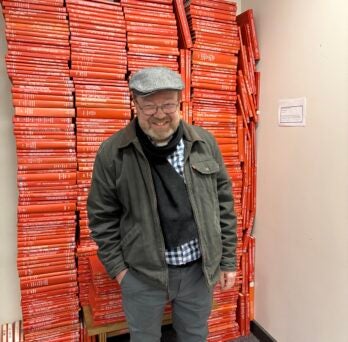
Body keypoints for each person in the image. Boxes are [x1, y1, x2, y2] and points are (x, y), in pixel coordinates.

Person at [87, 66, 237, 342]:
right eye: (149, 106)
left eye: (167, 104)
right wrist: (121, 273)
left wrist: (227, 260)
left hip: (197, 271)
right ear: (135, 104)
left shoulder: (204, 143)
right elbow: (102, 217)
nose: (159, 114)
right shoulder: (113, 153)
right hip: (143, 276)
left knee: (194, 335)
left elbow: (223, 205)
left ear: (179, 102)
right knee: (144, 338)